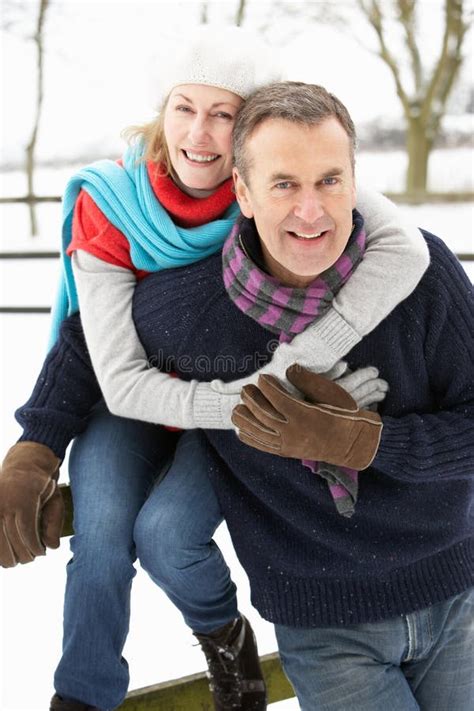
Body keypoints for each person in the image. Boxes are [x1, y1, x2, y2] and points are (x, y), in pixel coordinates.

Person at [0, 35, 430, 711]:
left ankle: (224, 637)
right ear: (161, 112)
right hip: (140, 399)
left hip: (236, 401)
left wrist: (300, 362)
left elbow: (406, 245)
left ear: (250, 128)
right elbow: (96, 351)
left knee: (169, 533)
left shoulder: (270, 182)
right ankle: (81, 694)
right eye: (184, 108)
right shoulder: (113, 204)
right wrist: (38, 442)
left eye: (223, 114)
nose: (200, 133)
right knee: (103, 532)